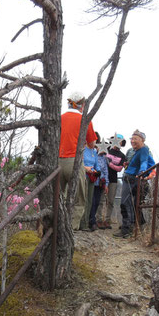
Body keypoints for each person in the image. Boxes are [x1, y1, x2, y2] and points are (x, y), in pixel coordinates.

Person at [59, 91, 97, 230]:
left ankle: (55, 227)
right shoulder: (85, 120)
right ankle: (71, 229)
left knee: (57, 197)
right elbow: (92, 144)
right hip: (74, 162)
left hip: (57, 161)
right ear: (83, 105)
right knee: (79, 198)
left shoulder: (60, 118)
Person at [114, 129, 154, 238]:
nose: (132, 141)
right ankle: (131, 227)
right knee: (131, 204)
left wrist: (142, 172)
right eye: (132, 139)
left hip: (133, 179)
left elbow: (144, 162)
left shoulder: (144, 150)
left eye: (135, 139)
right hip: (130, 178)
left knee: (125, 203)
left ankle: (128, 229)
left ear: (142, 140)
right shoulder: (136, 151)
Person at [96, 133, 126, 229]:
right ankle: (99, 219)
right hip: (102, 178)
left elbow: (119, 168)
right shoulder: (106, 149)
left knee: (111, 201)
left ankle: (107, 220)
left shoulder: (122, 155)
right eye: (114, 139)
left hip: (113, 179)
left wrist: (110, 164)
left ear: (121, 143)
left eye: (119, 140)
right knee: (100, 199)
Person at [89, 134, 109, 231]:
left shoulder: (103, 157)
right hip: (91, 180)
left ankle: (93, 220)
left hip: (100, 183)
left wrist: (106, 183)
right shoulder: (91, 153)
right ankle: (91, 221)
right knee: (91, 201)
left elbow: (105, 171)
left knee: (96, 202)